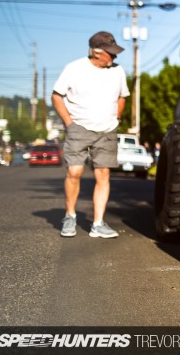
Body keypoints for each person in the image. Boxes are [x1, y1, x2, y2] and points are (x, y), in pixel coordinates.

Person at [52, 31, 130, 239]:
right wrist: (69, 123)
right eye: (110, 54)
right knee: (75, 172)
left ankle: (97, 223)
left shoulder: (118, 71)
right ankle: (70, 216)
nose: (114, 58)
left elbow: (123, 96)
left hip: (107, 129)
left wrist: (116, 118)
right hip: (79, 128)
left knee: (103, 174)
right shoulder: (74, 69)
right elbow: (57, 96)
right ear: (97, 52)